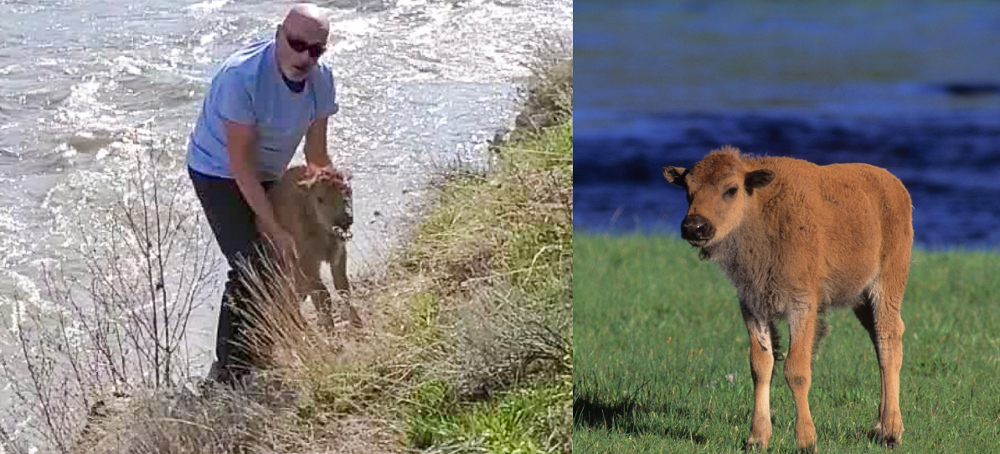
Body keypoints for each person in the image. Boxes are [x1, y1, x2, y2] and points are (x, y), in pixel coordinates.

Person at [186, 3, 350, 386]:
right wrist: (274, 227)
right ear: (278, 35)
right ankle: (230, 372)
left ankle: (266, 342)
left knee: (293, 256)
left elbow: (315, 156)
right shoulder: (241, 78)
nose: (304, 56)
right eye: (296, 43)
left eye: (315, 50)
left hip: (268, 171)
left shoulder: (321, 80)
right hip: (218, 171)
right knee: (251, 261)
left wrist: (332, 189)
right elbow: (241, 168)